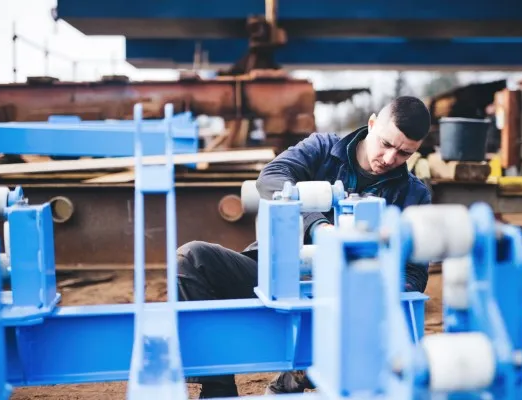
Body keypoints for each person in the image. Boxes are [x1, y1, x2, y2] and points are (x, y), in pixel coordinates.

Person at [177, 96, 433, 398]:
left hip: (349, 300)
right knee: (192, 259)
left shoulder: (413, 195)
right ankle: (218, 388)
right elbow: (271, 179)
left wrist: (376, 288)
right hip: (275, 274)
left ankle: (301, 375)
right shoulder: (322, 148)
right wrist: (317, 225)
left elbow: (414, 275)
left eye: (404, 153)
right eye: (386, 144)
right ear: (373, 123)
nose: (390, 158)